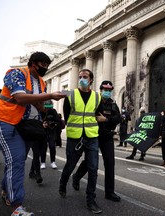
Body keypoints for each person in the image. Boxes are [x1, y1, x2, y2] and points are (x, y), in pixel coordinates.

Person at [0, 51, 66, 216]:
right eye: (43, 65)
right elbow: (20, 98)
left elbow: (39, 104)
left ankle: (6, 192)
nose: (45, 68)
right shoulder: (16, 74)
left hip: (27, 126)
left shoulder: (41, 82)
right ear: (34, 63)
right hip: (7, 122)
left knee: (15, 161)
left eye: (48, 66)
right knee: (17, 162)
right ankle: (16, 207)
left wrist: (46, 109)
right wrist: (50, 95)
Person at [59, 69, 102, 214]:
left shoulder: (97, 96)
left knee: (93, 169)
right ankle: (63, 183)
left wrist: (101, 118)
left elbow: (98, 114)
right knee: (70, 165)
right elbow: (67, 115)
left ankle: (91, 200)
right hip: (75, 137)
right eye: (80, 77)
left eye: (85, 77)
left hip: (91, 137)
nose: (82, 79)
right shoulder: (70, 95)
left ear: (91, 80)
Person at [72, 80, 121, 203]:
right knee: (90, 162)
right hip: (93, 136)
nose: (107, 92)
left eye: (109, 90)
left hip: (107, 137)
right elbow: (88, 114)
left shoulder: (113, 105)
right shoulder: (95, 101)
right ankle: (76, 177)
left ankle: (109, 192)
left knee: (110, 164)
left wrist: (106, 119)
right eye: (105, 90)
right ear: (100, 90)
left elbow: (118, 118)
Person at [40, 100, 59, 169]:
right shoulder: (42, 111)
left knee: (52, 147)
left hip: (52, 131)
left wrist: (52, 124)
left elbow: (57, 121)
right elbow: (39, 120)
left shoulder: (53, 111)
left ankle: (53, 162)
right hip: (44, 132)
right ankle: (43, 162)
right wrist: (43, 123)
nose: (47, 109)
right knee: (43, 148)